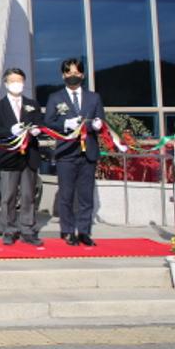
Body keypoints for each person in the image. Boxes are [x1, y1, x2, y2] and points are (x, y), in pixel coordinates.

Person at [44, 58, 106, 247]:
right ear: (63, 75)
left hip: (88, 152)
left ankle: (84, 231)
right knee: (66, 195)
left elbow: (100, 119)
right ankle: (68, 231)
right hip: (66, 152)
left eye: (76, 72)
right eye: (69, 72)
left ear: (82, 74)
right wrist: (65, 124)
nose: (73, 75)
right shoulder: (55, 97)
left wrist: (97, 124)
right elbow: (48, 122)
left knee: (86, 196)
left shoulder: (94, 97)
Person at [0, 68, 44, 246]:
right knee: (8, 196)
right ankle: (9, 229)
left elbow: (40, 123)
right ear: (6, 83)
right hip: (9, 156)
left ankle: (28, 229)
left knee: (28, 195)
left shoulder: (32, 104)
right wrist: (10, 131)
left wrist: (37, 130)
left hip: (29, 155)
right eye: (12, 80)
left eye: (19, 80)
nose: (16, 84)